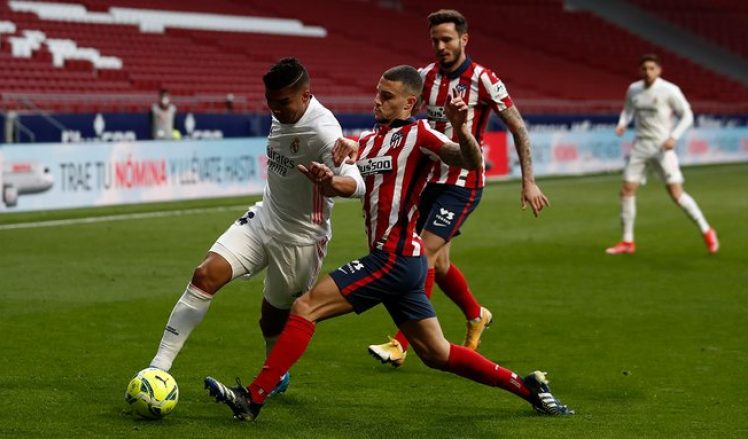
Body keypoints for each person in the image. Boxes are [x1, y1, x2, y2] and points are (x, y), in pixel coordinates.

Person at [203, 65, 573, 420]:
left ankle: (253, 397)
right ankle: (528, 388)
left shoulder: (422, 134)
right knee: (436, 353)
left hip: (393, 258)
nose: (376, 102)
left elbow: (470, 161)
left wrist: (462, 129)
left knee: (305, 307)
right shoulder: (369, 141)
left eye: (387, 96)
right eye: (377, 94)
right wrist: (328, 176)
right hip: (404, 263)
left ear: (409, 104)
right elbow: (346, 176)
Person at [146, 58, 365, 396]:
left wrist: (333, 184)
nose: (275, 110)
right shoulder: (283, 112)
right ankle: (157, 370)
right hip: (264, 218)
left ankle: (275, 376)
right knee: (204, 275)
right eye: (270, 102)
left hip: (301, 239)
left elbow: (357, 183)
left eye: (283, 104)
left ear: (306, 96)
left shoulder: (324, 131)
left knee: (271, 319)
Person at [368, 9, 550, 367]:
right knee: (443, 262)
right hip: (426, 183)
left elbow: (517, 127)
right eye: (435, 40)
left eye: (447, 39)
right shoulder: (423, 78)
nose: (440, 46)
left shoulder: (484, 79)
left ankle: (402, 343)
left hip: (462, 184)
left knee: (424, 255)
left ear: (464, 39)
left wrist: (528, 179)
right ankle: (475, 314)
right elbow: (402, 119)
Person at [606, 54, 718, 254]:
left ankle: (707, 230)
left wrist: (674, 136)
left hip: (662, 148)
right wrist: (623, 123)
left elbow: (688, 115)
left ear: (659, 70)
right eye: (644, 69)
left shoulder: (669, 90)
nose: (648, 72)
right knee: (626, 190)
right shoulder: (634, 89)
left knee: (676, 194)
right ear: (640, 71)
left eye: (651, 68)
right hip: (640, 145)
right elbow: (628, 110)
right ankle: (627, 241)